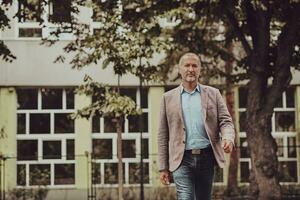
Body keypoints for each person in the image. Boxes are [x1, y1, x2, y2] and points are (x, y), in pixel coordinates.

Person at [157, 52, 235, 200]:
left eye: (194, 66)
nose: (191, 69)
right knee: (185, 197)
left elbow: (226, 121)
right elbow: (162, 135)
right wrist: (163, 167)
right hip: (181, 159)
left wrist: (228, 137)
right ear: (179, 69)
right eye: (187, 65)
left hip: (207, 157)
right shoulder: (167, 98)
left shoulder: (213, 94)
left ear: (200, 70)